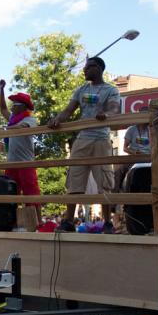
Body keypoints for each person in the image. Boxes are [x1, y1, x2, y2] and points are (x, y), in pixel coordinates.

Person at [48, 56, 120, 232]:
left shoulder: (111, 90)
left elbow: (114, 108)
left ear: (99, 68)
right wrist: (57, 119)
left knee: (104, 181)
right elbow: (68, 110)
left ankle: (107, 222)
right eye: (85, 67)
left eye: (89, 67)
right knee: (75, 178)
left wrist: (106, 115)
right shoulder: (81, 90)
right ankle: (68, 221)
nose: (85, 70)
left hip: (101, 138)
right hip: (82, 138)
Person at [0, 80, 41, 226]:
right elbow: (3, 108)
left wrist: (6, 129)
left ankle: (38, 222)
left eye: (14, 104)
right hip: (12, 164)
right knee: (11, 193)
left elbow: (22, 127)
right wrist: (1, 89)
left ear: (22, 107)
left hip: (25, 163)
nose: (12, 107)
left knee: (32, 193)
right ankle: (12, 222)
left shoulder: (30, 119)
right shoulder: (12, 119)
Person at [115, 105, 150, 193]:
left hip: (149, 158)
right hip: (134, 158)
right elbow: (124, 148)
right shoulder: (131, 129)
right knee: (118, 172)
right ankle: (115, 196)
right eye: (143, 116)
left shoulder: (152, 129)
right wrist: (135, 152)